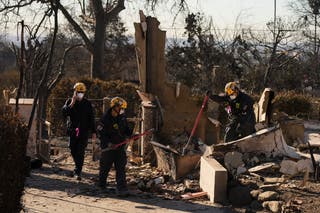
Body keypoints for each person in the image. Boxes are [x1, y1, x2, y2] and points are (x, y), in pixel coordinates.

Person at [97, 97, 132, 196]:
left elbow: (126, 130)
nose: (122, 110)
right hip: (108, 148)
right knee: (105, 167)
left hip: (120, 147)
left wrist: (131, 135)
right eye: (120, 107)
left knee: (121, 167)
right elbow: (101, 133)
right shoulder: (105, 119)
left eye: (123, 108)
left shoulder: (122, 117)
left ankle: (122, 189)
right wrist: (108, 143)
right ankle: (101, 186)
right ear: (114, 107)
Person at [62, 82, 96, 180]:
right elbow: (64, 113)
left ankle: (78, 171)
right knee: (73, 149)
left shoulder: (87, 103)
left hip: (83, 131)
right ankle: (77, 167)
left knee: (80, 151)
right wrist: (72, 104)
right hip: (73, 130)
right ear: (75, 92)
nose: (80, 93)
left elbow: (91, 118)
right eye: (78, 92)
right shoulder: (69, 101)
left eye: (82, 92)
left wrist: (93, 132)